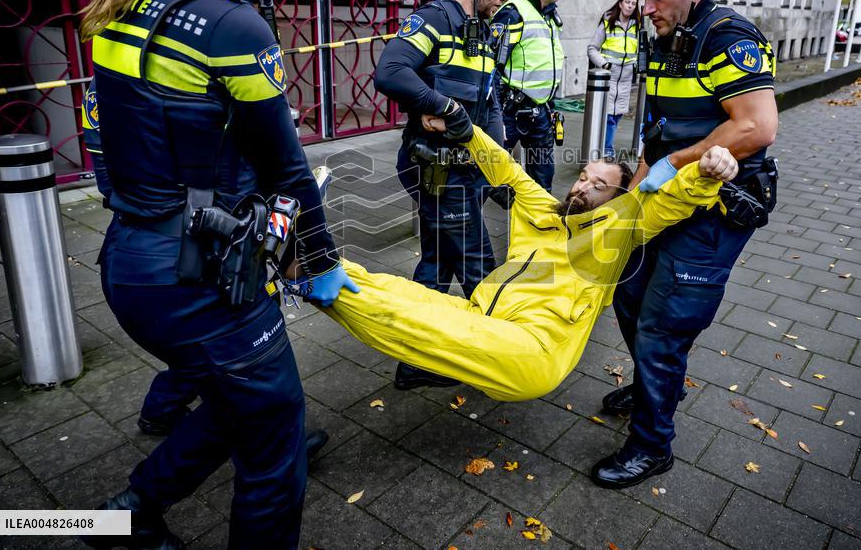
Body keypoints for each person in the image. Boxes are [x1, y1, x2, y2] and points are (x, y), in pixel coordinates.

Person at [78, 0, 357, 547]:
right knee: (273, 445)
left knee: (240, 402)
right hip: (199, 276)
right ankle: (144, 507)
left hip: (132, 262)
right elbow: (288, 168)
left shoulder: (122, 9)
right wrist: (320, 260)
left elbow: (106, 149)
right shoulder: (230, 25)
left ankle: (130, 512)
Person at [310, 112, 738, 401]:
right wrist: (462, 127)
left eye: (598, 185)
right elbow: (505, 168)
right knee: (399, 293)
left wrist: (704, 172)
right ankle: (319, 259)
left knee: (413, 322)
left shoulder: (617, 229)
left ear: (617, 197)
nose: (582, 187)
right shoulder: (542, 207)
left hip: (535, 348)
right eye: (583, 177)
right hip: (484, 315)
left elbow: (669, 204)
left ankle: (306, 272)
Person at [592, 0, 779, 489]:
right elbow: (660, 124)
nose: (645, 7)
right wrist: (633, 187)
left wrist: (673, 163)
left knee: (662, 323)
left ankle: (652, 446)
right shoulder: (665, 37)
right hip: (666, 198)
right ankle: (654, 383)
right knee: (628, 295)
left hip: (716, 207)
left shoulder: (728, 37)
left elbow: (755, 127)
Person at [373, 0, 512, 391]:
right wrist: (445, 108)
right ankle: (497, 357)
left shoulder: (484, 32)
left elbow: (488, 104)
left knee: (435, 266)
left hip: (466, 173)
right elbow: (391, 72)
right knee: (480, 269)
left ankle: (415, 361)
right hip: (438, 173)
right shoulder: (434, 19)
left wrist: (501, 167)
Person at [490, 0, 567, 191]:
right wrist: (494, 113)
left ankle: (539, 225)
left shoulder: (549, 14)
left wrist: (551, 107)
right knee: (489, 173)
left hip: (541, 111)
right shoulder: (513, 13)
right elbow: (491, 65)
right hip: (510, 112)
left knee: (543, 181)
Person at [587, 0, 641, 157]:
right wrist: (605, 64)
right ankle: (607, 150)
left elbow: (639, 50)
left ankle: (605, 146)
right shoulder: (608, 23)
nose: (630, 6)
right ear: (620, 4)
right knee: (609, 116)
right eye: (627, 2)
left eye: (633, 3)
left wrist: (636, 65)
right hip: (609, 77)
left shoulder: (637, 26)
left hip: (626, 80)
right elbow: (592, 48)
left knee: (617, 115)